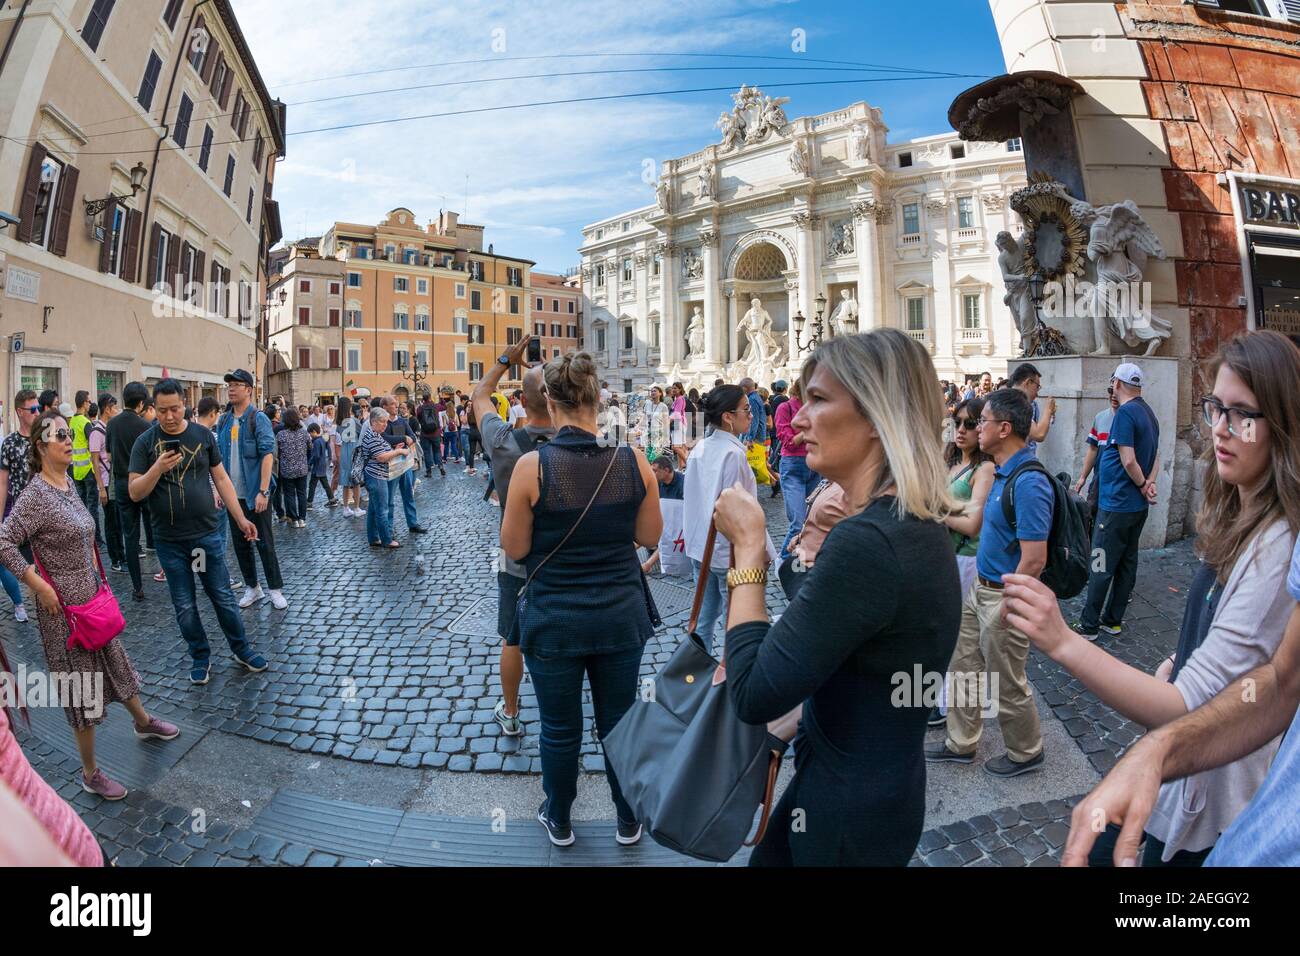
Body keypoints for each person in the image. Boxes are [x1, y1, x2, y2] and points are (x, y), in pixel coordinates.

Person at [1006, 330, 1300, 864]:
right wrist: (1181, 656)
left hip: (1207, 794)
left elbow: (1196, 703)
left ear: (1282, 424)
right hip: (1191, 776)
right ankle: (1112, 618)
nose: (1221, 429)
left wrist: (1063, 638)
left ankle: (1101, 620)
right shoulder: (1242, 512)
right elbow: (1234, 642)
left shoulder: (1276, 547)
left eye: (1243, 414)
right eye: (1215, 408)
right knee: (1124, 569)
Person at [712, 329, 962, 865]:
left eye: (819, 400)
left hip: (842, 810)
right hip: (875, 790)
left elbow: (754, 693)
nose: (797, 418)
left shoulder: (868, 540)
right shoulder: (913, 522)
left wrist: (750, 549)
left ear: (876, 416)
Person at [500, 351, 662, 849]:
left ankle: (561, 817)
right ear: (599, 400)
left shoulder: (533, 466)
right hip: (619, 614)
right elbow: (650, 533)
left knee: (558, 727)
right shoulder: (632, 458)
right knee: (620, 722)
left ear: (549, 401)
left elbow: (516, 549)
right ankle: (628, 818)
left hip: (555, 619)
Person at [2, 408, 181, 799]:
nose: (69, 441)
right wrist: (37, 585)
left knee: (116, 663)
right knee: (81, 690)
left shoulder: (66, 483)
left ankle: (143, 722)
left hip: (92, 601)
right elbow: (3, 543)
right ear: (40, 446)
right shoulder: (34, 495)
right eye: (60, 436)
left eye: (69, 435)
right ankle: (90, 772)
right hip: (62, 612)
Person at [926, 388, 1050, 777]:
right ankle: (960, 742)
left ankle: (1026, 751)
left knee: (1006, 679)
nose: (976, 428)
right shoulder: (999, 469)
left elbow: (1035, 559)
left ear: (1005, 428)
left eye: (983, 422)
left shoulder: (1029, 481)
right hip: (978, 588)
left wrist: (1008, 606)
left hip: (1003, 596)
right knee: (964, 668)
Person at [129, 380, 269, 685]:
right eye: (163, 410)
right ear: (154, 408)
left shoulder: (203, 435)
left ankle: (240, 648)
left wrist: (241, 518)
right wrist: (157, 470)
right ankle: (200, 655)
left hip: (202, 540)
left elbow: (221, 479)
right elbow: (135, 492)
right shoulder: (145, 443)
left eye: (175, 409)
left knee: (220, 596)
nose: (169, 416)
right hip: (170, 542)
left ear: (184, 405)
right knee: (184, 604)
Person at [473, 336, 556, 739]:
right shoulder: (578, 442)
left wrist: (508, 358)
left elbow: (480, 394)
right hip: (564, 558)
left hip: (517, 559)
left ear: (522, 401)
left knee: (513, 637)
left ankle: (510, 710)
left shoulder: (504, 443)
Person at [683, 385, 776, 651]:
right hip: (726, 551)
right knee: (733, 621)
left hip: (701, 546)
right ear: (728, 416)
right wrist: (765, 552)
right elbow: (742, 510)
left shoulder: (700, 448)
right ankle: (732, 675)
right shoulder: (733, 454)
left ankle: (697, 670)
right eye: (746, 410)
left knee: (703, 617)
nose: (751, 415)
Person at [1075, 363, 1160, 639]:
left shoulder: (1125, 412)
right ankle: (1113, 621)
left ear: (1118, 384)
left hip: (1116, 505)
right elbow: (1156, 457)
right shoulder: (1149, 413)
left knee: (1100, 562)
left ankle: (1089, 625)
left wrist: (1140, 483)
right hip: (1136, 507)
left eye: (1113, 382)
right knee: (1127, 563)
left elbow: (1128, 459)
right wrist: (1148, 484)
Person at [932, 397, 996, 725]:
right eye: (958, 422)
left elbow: (973, 524)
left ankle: (949, 706)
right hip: (941, 555)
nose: (961, 430)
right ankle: (939, 697)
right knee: (941, 630)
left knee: (959, 636)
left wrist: (936, 511)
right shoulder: (950, 458)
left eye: (970, 424)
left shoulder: (984, 468)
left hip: (965, 558)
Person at [215, 371, 288, 611]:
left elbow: (268, 454)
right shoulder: (224, 420)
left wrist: (264, 491)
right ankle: (252, 587)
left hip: (256, 493)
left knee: (264, 542)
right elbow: (218, 460)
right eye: (229, 385)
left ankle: (275, 589)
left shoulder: (258, 418)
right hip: (233, 495)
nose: (231, 389)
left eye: (237, 385)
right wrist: (218, 489)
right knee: (240, 544)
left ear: (248, 389)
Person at [105, 382, 154, 601]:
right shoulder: (145, 426)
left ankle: (138, 587)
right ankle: (170, 573)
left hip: (122, 483)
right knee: (157, 527)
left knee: (130, 536)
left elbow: (108, 453)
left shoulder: (112, 424)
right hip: (143, 481)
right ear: (142, 403)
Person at [0, 389, 39, 623]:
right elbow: (3, 482)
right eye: (32, 409)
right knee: (15, 561)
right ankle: (21, 603)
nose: (36, 413)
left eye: (37, 408)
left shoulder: (44, 438)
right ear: (19, 412)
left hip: (45, 511)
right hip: (20, 513)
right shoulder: (10, 443)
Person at [774, 380, 820, 561]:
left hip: (815, 466)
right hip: (793, 466)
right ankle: (783, 560)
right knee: (798, 522)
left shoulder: (816, 408)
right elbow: (789, 442)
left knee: (812, 521)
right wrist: (809, 428)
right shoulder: (785, 408)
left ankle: (802, 563)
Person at [358, 406, 409, 548]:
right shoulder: (372, 435)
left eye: (386, 422)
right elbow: (381, 457)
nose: (385, 425)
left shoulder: (375, 434)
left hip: (376, 475)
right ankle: (387, 540)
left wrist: (393, 449)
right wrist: (398, 451)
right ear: (373, 422)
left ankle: (374, 538)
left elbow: (383, 452)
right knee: (382, 510)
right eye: (382, 422)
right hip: (376, 476)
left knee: (374, 509)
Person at [1072, 384, 1120, 521]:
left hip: (1119, 484)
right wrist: (1083, 477)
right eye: (1110, 391)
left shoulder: (1129, 419)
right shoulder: (1100, 418)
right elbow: (1093, 449)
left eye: (1117, 392)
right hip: (1099, 481)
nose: (1113, 396)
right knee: (1091, 518)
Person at [380, 396, 426, 536]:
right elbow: (383, 438)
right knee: (390, 499)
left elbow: (412, 437)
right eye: (393, 404)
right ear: (385, 407)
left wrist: (404, 443)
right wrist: (402, 439)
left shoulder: (402, 421)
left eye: (396, 404)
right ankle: (389, 527)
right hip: (391, 465)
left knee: (408, 495)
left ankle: (413, 523)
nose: (396, 406)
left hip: (404, 463)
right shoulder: (383, 423)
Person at [640, 455, 688, 576]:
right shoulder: (657, 484)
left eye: (655, 470)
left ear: (666, 470)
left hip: (680, 528)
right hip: (664, 522)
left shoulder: (684, 484)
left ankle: (647, 565)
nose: (652, 473)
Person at [90, 395, 121, 573]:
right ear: (107, 409)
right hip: (105, 482)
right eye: (114, 407)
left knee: (117, 522)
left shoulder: (110, 428)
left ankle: (120, 555)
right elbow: (94, 461)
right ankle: (114, 559)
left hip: (113, 481)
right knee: (110, 523)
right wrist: (101, 488)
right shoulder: (96, 431)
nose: (116, 411)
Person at [1008, 362, 1055, 456]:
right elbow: (1039, 434)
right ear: (1028, 382)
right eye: (1037, 387)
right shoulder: (1014, 402)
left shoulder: (1008, 398)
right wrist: (1048, 410)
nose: (1037, 393)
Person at [276, 408, 311, 528]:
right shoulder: (304, 433)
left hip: (287, 469)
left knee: (289, 494)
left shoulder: (281, 435)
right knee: (301, 493)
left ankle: (294, 519)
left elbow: (277, 452)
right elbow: (310, 447)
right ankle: (302, 519)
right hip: (302, 467)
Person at [336, 397, 365, 516]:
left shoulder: (339, 421)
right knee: (356, 480)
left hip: (345, 450)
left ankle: (346, 508)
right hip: (354, 450)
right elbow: (362, 431)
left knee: (346, 481)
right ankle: (357, 508)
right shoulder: (353, 420)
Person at [416, 393, 445, 478]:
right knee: (437, 451)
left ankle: (429, 471)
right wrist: (441, 398)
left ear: (423, 399)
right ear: (430, 398)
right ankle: (440, 466)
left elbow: (418, 418)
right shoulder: (435, 406)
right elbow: (444, 407)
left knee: (427, 452)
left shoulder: (420, 408)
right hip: (435, 432)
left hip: (425, 433)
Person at [306, 423, 334, 509]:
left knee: (312, 486)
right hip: (322, 466)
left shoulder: (316, 442)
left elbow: (316, 455)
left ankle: (309, 503)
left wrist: (309, 463)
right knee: (325, 484)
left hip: (317, 468)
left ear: (314, 432)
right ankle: (332, 499)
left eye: (310, 433)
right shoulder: (322, 439)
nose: (310, 436)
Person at [739, 377, 767, 448]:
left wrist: (750, 439)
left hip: (755, 438)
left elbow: (753, 420)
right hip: (758, 436)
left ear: (744, 388)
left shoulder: (752, 399)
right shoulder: (756, 397)